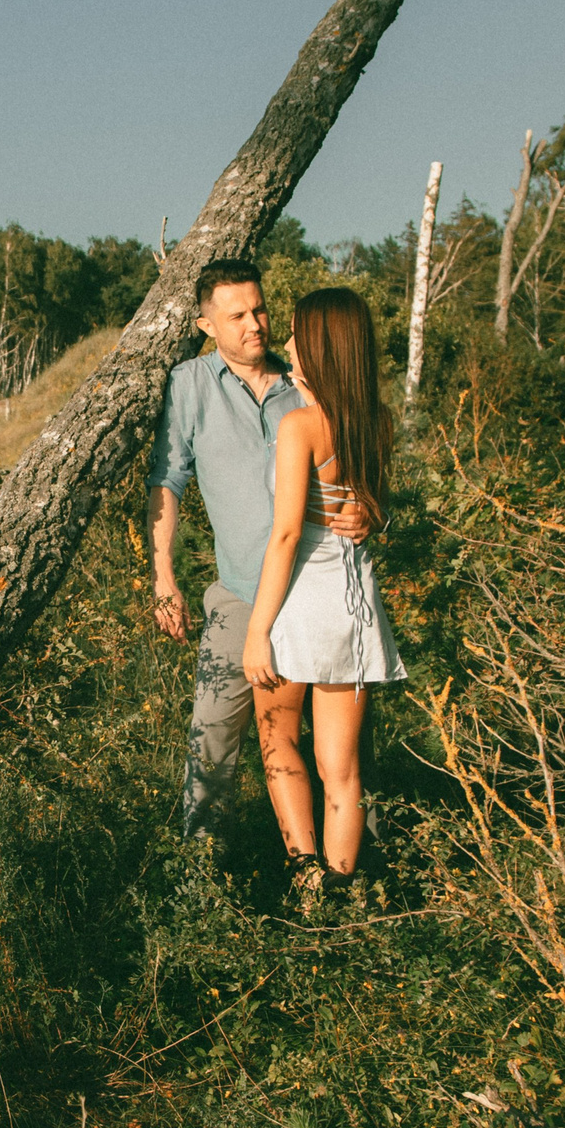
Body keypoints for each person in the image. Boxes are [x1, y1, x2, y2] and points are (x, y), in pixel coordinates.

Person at [147, 260, 370, 843]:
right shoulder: (190, 384)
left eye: (261, 309)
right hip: (244, 593)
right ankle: (206, 876)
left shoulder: (307, 377)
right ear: (206, 325)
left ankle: (350, 879)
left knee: (333, 750)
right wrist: (163, 574)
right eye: (237, 315)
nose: (255, 324)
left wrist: (372, 512)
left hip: (319, 594)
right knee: (214, 734)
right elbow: (167, 480)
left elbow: (357, 462)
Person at [241, 287, 406, 909]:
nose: (286, 345)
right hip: (355, 604)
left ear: (319, 345)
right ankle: (342, 895)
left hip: (300, 601)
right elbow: (369, 510)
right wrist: (372, 515)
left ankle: (306, 882)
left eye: (295, 335)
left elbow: (286, 534)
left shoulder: (299, 425)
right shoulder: (375, 422)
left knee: (279, 738)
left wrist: (258, 631)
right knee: (343, 769)